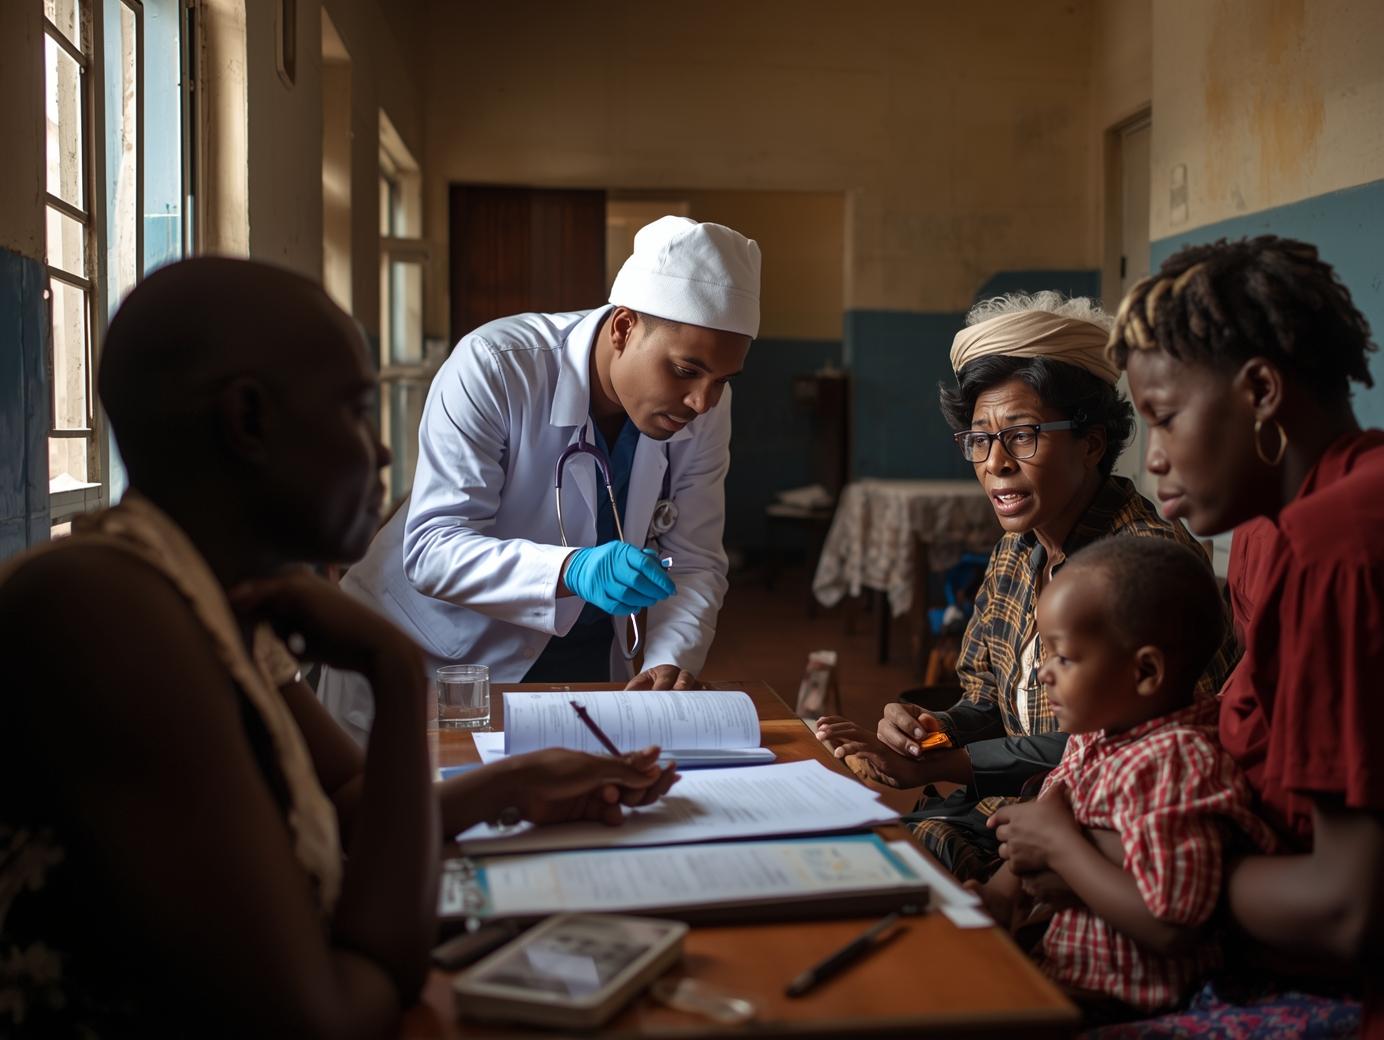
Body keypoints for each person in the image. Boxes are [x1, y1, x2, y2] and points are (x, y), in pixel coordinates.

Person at [0, 258, 678, 1037]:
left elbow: (354, 807)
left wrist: (514, 784)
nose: (384, 457)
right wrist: (393, 671)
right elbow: (326, 1014)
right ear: (249, 420)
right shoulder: (105, 614)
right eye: (356, 413)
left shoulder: (209, 599)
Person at [813, 291, 1236, 882]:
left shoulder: (1145, 565)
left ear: (1091, 443)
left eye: (1022, 435)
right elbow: (986, 696)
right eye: (979, 439)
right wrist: (926, 736)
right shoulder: (1019, 547)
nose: (996, 463)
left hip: (1104, 839)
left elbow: (1138, 743)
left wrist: (957, 763)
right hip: (1004, 814)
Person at [319, 216, 760, 742]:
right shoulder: (497, 366)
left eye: (723, 380)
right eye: (686, 371)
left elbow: (694, 560)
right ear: (622, 328)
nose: (702, 402)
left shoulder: (708, 405)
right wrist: (570, 570)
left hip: (583, 661)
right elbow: (433, 550)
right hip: (431, 656)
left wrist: (668, 663)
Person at [1107, 235, 1380, 1037]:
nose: (1153, 459)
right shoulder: (1274, 534)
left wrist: (1125, 867)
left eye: (1163, 418)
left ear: (1260, 389)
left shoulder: (1331, 546)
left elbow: (1347, 909)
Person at [971, 538, 1275, 1024]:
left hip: (1123, 1005)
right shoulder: (1092, 733)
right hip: (1062, 971)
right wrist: (997, 896)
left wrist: (1061, 847)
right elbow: (1041, 825)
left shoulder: (1178, 762)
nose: (1045, 673)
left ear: (1146, 671)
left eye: (1064, 658)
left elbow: (1171, 925)